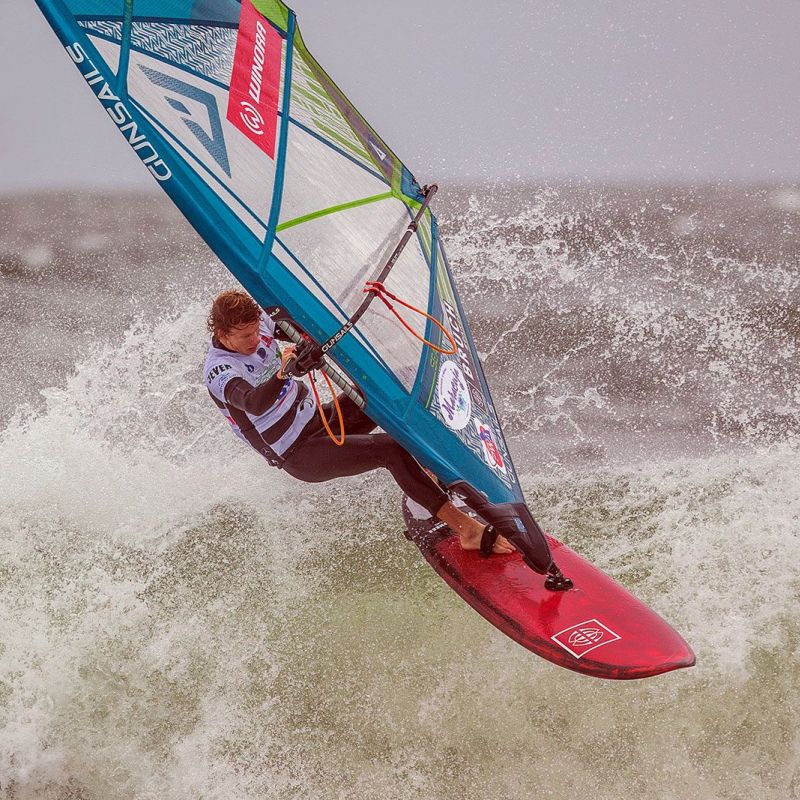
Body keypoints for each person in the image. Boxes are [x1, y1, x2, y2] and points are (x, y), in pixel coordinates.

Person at [203, 290, 512, 554]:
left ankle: (436, 478)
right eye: (245, 337)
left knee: (395, 387)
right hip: (298, 452)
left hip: (319, 420)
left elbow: (304, 326)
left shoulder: (261, 325)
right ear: (222, 333)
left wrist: (308, 343)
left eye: (256, 331)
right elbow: (253, 402)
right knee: (390, 450)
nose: (255, 339)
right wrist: (285, 370)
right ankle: (467, 531)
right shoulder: (219, 370)